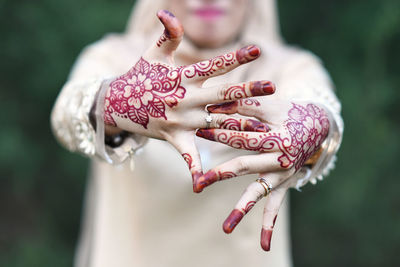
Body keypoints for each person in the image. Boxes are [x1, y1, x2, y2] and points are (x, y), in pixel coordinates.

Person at [51, 0, 343, 266]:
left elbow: (319, 105)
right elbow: (68, 113)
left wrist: (313, 126)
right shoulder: (114, 57)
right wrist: (117, 101)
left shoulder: (287, 67)